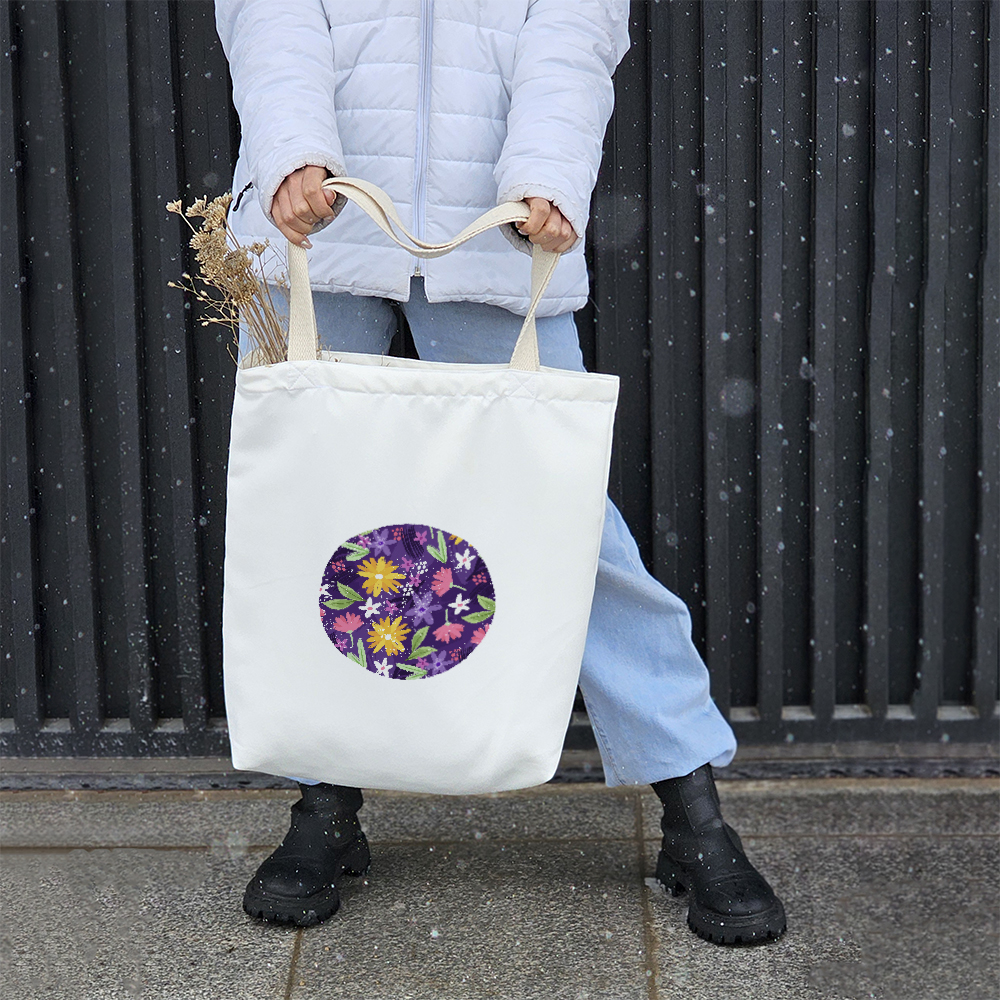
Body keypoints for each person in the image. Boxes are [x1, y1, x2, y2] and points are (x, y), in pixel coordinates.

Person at [215, 0, 786, 946]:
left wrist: (548, 174)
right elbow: (272, 15)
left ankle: (693, 812)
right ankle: (323, 802)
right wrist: (292, 153)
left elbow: (573, 28)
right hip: (315, 229)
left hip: (496, 233)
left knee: (569, 530)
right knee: (312, 526)